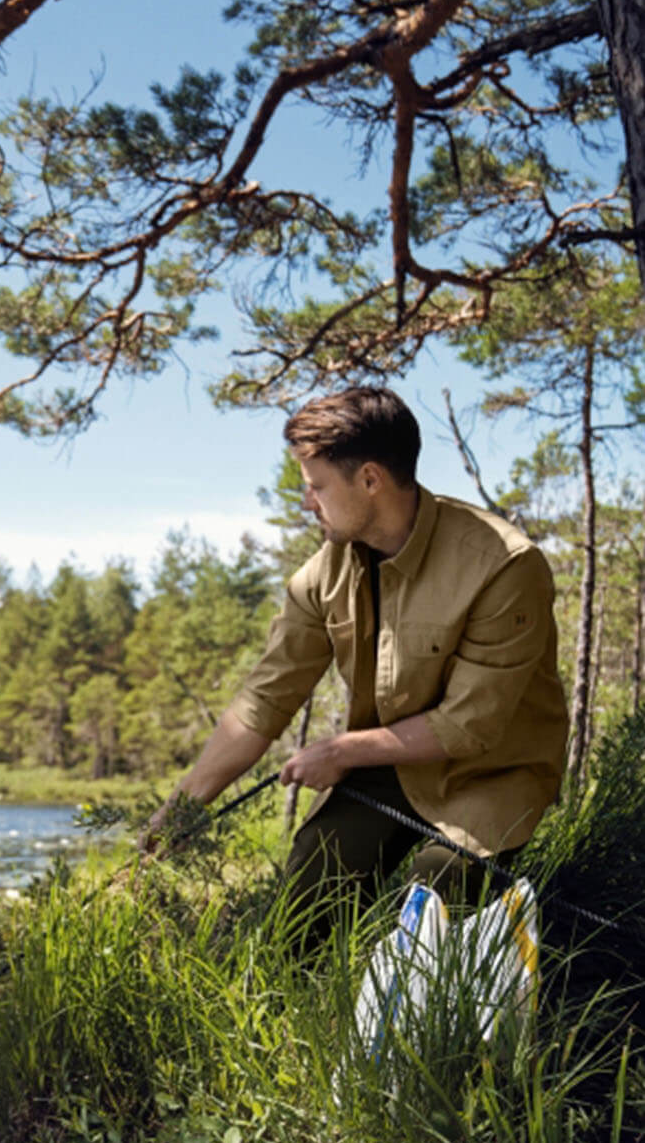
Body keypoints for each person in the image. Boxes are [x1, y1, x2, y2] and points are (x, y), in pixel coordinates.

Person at [144, 384, 568, 935]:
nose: (307, 500)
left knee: (438, 903)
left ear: (370, 479)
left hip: (492, 773)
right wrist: (182, 810)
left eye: (317, 486)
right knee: (306, 897)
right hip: (388, 764)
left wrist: (341, 751)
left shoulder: (505, 566)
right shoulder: (323, 575)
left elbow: (471, 726)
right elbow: (263, 703)